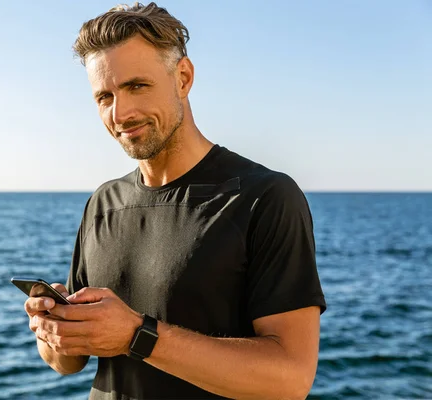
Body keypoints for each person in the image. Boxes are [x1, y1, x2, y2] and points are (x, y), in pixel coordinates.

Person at [24, 2, 327, 399]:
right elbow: (69, 362)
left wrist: (137, 334)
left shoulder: (264, 196)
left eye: (137, 86)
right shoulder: (104, 203)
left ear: (182, 78)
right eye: (104, 96)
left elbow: (288, 379)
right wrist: (53, 333)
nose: (121, 113)